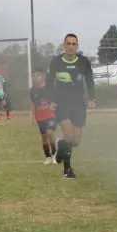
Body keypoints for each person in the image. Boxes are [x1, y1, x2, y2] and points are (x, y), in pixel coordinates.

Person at [48, 33, 96, 179]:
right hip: (62, 104)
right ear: (64, 46)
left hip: (78, 104)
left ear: (77, 46)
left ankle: (61, 146)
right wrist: (52, 100)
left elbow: (89, 81)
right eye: (68, 44)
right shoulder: (56, 62)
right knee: (68, 133)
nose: (71, 46)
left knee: (75, 141)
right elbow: (50, 82)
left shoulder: (84, 62)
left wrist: (91, 98)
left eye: (74, 44)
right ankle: (67, 170)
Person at [29, 70, 58, 164]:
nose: (35, 78)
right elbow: (33, 104)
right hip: (40, 117)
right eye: (33, 76)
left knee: (50, 132)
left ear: (43, 76)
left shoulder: (50, 88)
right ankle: (47, 156)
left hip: (51, 115)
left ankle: (55, 154)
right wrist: (33, 117)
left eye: (38, 75)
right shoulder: (32, 91)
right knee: (44, 136)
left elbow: (57, 100)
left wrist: (55, 105)